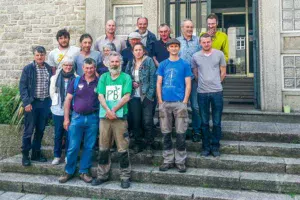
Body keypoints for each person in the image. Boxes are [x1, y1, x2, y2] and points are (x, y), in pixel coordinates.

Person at [92, 52, 132, 189]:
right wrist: (108, 111)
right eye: (112, 62)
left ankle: (125, 176)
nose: (114, 64)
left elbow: (126, 96)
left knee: (122, 148)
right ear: (108, 63)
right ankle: (102, 175)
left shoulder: (126, 77)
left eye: (117, 62)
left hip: (120, 117)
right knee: (103, 147)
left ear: (120, 63)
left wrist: (113, 110)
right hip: (105, 117)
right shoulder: (103, 77)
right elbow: (100, 95)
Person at [58, 58, 99, 184]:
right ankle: (68, 171)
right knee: (73, 146)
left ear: (95, 68)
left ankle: (84, 171)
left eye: (91, 67)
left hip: (93, 118)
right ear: (83, 68)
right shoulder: (76, 81)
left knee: (89, 146)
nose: (89, 70)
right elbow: (68, 100)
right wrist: (66, 118)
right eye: (87, 68)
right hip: (77, 118)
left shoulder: (100, 82)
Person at [156, 39, 192, 173]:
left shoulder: (184, 64)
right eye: (171, 46)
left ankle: (180, 161)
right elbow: (159, 83)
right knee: (166, 133)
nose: (174, 48)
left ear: (179, 48)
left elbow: (188, 84)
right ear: (168, 49)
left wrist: (184, 102)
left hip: (179, 103)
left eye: (176, 46)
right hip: (165, 103)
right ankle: (168, 160)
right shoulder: (163, 64)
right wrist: (160, 100)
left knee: (181, 132)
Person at [192, 33, 226, 157]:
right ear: (200, 43)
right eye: (204, 42)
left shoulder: (219, 54)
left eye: (208, 42)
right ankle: (205, 147)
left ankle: (215, 147)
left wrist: (216, 82)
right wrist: (202, 82)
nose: (206, 44)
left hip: (217, 92)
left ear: (211, 42)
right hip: (202, 92)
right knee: (204, 122)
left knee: (217, 121)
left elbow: (223, 72)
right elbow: (195, 72)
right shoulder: (195, 56)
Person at [19, 46, 52, 166]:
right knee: (29, 130)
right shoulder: (28, 69)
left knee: (40, 130)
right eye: (37, 55)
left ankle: (36, 153)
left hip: (44, 104)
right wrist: (26, 102)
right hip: (32, 104)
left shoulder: (48, 68)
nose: (39, 57)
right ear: (34, 56)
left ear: (45, 55)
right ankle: (25, 155)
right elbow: (22, 87)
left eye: (42, 55)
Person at [125, 43, 156, 157]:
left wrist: (150, 95)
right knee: (136, 121)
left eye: (140, 50)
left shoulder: (149, 61)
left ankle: (149, 145)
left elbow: (153, 78)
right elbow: (127, 77)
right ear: (133, 52)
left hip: (146, 95)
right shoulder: (130, 63)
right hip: (134, 96)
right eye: (136, 50)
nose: (138, 52)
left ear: (143, 51)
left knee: (147, 121)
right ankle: (138, 144)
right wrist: (131, 83)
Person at [177, 19, 202, 143]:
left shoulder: (198, 41)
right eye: (187, 27)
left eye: (191, 27)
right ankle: (184, 130)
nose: (189, 29)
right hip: (180, 81)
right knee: (182, 106)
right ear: (182, 28)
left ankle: (197, 131)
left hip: (194, 79)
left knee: (196, 107)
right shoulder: (177, 41)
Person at [49, 59, 76, 165]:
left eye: (70, 65)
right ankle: (57, 155)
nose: (68, 67)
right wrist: (60, 103)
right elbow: (51, 93)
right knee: (58, 134)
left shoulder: (76, 78)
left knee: (70, 134)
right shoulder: (54, 78)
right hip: (57, 110)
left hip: (71, 110)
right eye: (66, 65)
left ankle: (68, 156)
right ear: (62, 65)